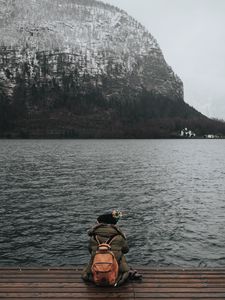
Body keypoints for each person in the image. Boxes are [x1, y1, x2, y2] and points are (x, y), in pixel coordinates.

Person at [82, 210, 142, 286]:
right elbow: (126, 250)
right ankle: (125, 274)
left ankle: (99, 275)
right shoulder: (119, 236)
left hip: (97, 268)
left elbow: (90, 251)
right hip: (115, 269)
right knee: (120, 256)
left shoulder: (93, 237)